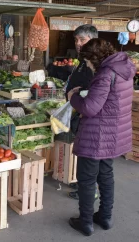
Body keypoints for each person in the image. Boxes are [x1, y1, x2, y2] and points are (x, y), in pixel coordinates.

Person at [67, 38, 135, 236]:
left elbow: (90, 108)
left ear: (94, 58)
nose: (87, 65)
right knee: (106, 175)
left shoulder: (105, 73)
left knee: (87, 179)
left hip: (97, 135)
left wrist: (73, 97)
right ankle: (105, 217)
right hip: (114, 134)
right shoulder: (124, 69)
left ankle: (85, 222)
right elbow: (110, 99)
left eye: (87, 61)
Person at [65, 24, 99, 201]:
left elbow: (92, 93)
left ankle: (89, 190)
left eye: (82, 39)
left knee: (89, 157)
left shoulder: (95, 64)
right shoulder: (82, 60)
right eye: (76, 40)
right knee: (82, 154)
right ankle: (82, 183)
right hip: (79, 113)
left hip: (87, 116)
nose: (78, 43)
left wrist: (74, 96)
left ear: (93, 40)